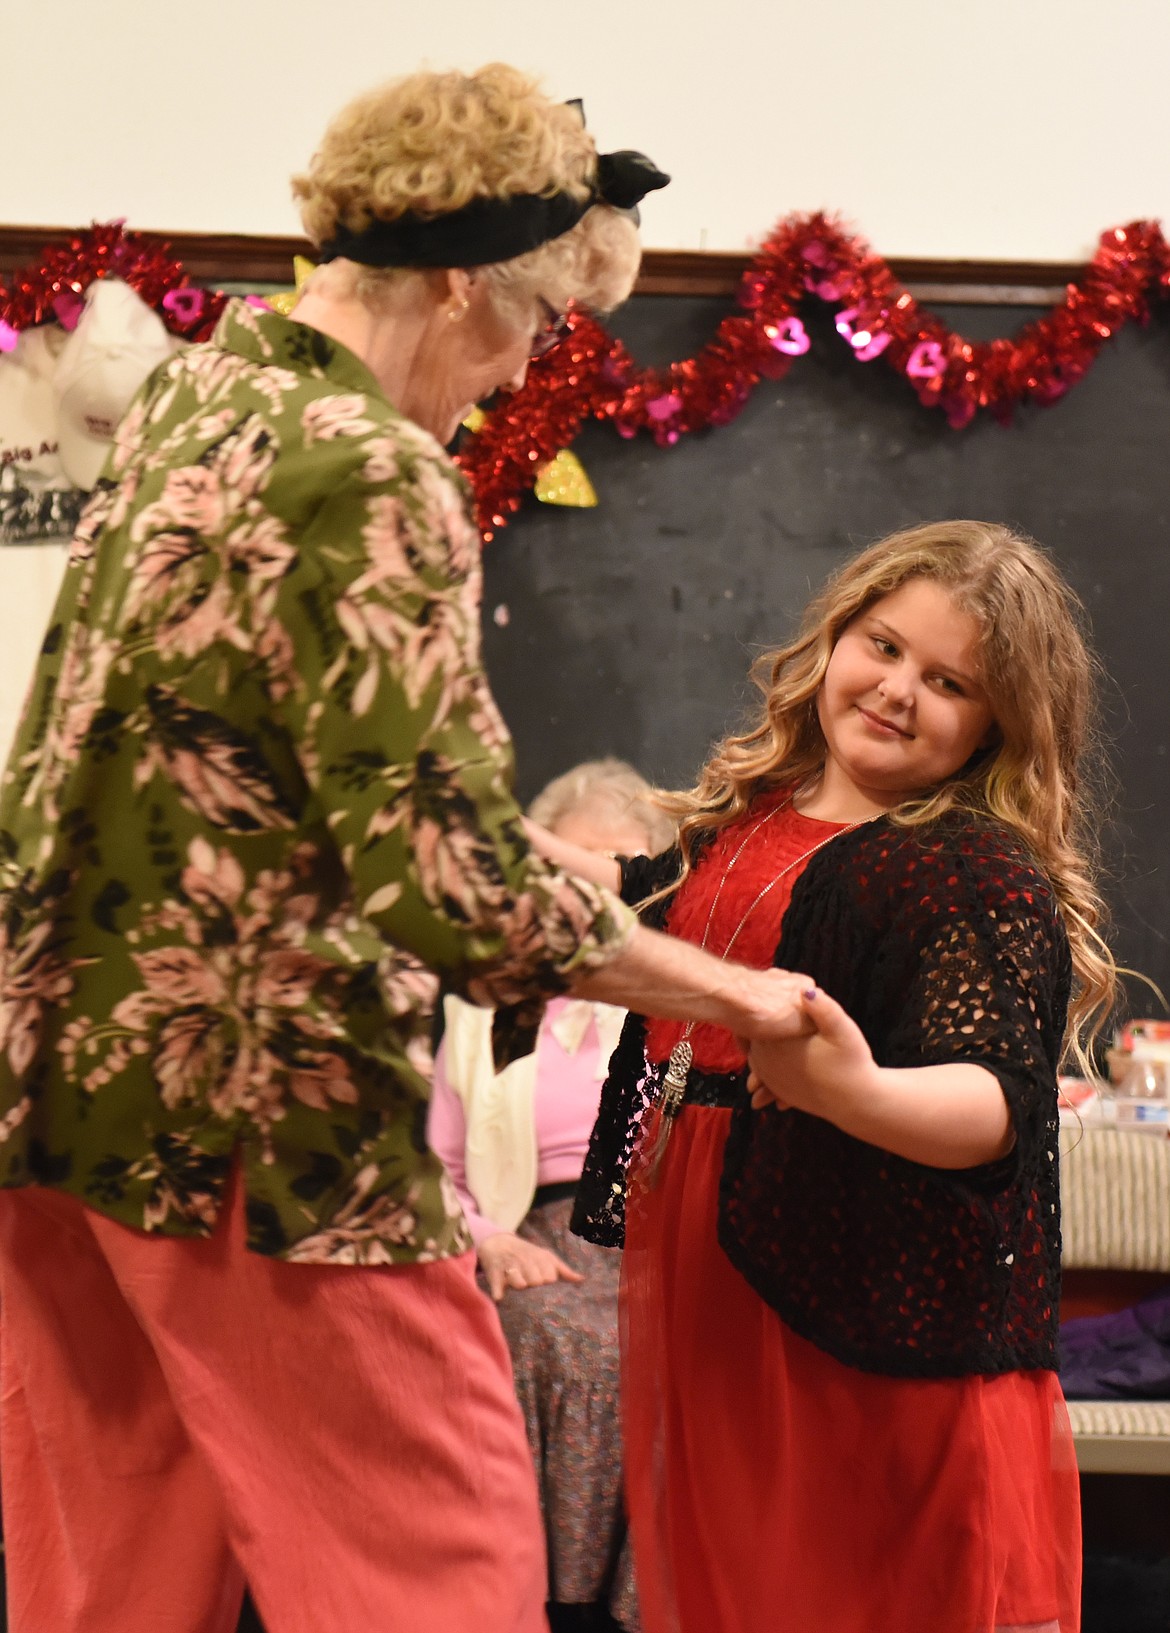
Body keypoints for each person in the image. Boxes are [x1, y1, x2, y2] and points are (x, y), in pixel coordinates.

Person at [0, 66, 815, 1633]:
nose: (519, 373)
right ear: (457, 281)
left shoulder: (198, 393)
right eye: (528, 326)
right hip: (259, 1122)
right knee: (437, 1572)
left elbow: (222, 763)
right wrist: (729, 992)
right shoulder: (376, 470)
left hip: (58, 1089)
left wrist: (497, 848)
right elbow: (449, 896)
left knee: (110, 1577)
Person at [529, 520, 1115, 1633]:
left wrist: (853, 1090)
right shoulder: (761, 816)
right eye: (884, 646)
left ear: (1001, 723)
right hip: (715, 1255)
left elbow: (995, 1107)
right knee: (732, 1577)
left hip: (848, 1295)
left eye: (950, 682)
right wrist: (486, 842)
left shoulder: (963, 866)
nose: (899, 690)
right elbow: (657, 892)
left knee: (839, 1583)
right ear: (836, 633)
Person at [430, 759, 674, 1632]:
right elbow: (432, 1170)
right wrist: (489, 1238)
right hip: (528, 1233)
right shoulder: (480, 1007)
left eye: (615, 870)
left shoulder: (682, 1000)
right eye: (571, 869)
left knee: (680, 1349)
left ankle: (643, 1611)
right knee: (544, 1333)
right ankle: (535, 1602)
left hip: (659, 1244)